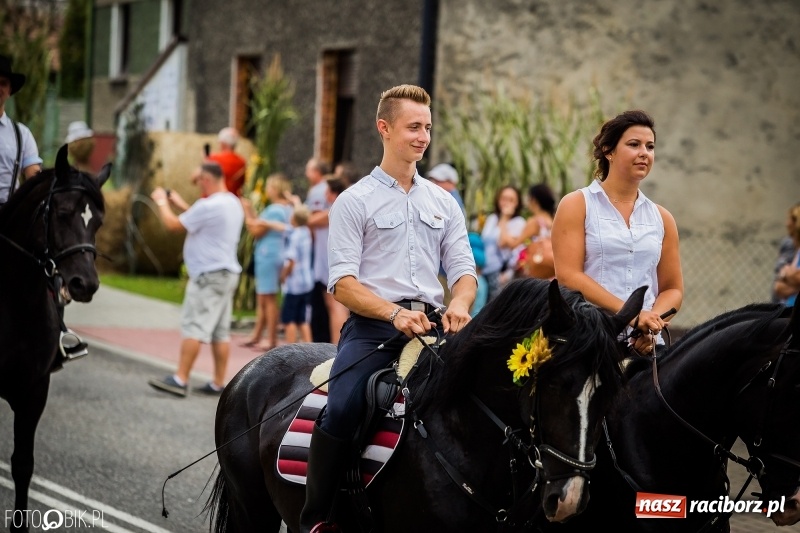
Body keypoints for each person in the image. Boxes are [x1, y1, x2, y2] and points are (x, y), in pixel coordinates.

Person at [300, 84, 477, 532]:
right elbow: (342, 283)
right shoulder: (353, 201)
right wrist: (395, 314)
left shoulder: (443, 201)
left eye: (428, 128)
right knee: (342, 407)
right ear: (385, 128)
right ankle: (318, 516)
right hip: (373, 329)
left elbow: (463, 270)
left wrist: (459, 303)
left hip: (436, 327)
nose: (423, 136)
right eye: (413, 127)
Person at [551, 110, 683, 355]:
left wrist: (650, 325)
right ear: (608, 151)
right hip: (586, 338)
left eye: (650, 146)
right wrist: (631, 316)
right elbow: (568, 275)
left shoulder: (662, 218)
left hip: (646, 345)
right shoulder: (577, 204)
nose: (644, 152)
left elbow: (672, 289)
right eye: (634, 144)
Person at [147, 162, 244, 396]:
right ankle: (219, 382)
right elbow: (201, 219)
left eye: (199, 181)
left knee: (194, 327)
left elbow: (172, 225)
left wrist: (161, 201)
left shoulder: (207, 205)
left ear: (206, 179)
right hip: (227, 274)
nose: (198, 185)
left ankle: (180, 379)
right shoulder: (232, 202)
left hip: (208, 276)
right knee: (220, 332)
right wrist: (180, 204)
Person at [241, 173, 293, 350]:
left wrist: (247, 211)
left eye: (270, 187)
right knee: (266, 296)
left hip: (267, 254)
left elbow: (256, 230)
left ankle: (270, 340)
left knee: (267, 298)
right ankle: (259, 335)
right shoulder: (286, 209)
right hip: (276, 254)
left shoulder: (274, 210)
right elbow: (261, 224)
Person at [0, 54, 42, 206]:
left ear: (10, 90)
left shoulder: (22, 134)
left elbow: (34, 178)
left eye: (3, 83)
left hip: (7, 219)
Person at [500, 183, 557, 279]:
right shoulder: (553, 221)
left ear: (534, 201)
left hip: (536, 273)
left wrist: (504, 220)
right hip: (551, 273)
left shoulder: (535, 222)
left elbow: (513, 244)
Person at [304, 157, 333, 342]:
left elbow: (313, 221)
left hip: (322, 251)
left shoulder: (317, 191)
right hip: (330, 247)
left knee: (326, 300)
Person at [480, 185, 526, 301]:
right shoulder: (492, 219)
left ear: (517, 203)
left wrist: (505, 218)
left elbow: (503, 243)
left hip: (500, 272)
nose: (506, 203)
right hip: (485, 269)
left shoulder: (519, 222)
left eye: (511, 200)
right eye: (504, 199)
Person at [322, 174, 350, 344]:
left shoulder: (340, 207)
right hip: (333, 260)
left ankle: (336, 343)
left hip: (335, 261)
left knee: (336, 305)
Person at [280, 204, 314, 343]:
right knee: (303, 318)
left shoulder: (294, 236)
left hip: (295, 283)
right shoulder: (306, 231)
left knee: (289, 318)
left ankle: (291, 347)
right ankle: (310, 347)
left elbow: (291, 260)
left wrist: (283, 275)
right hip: (307, 281)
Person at [206, 127, 247, 197]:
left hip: (214, 198)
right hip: (233, 199)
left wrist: (205, 159)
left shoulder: (213, 159)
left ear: (223, 143)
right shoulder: (242, 162)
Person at [773, 203, 800, 306]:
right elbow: (779, 287)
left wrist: (788, 275)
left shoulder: (789, 245)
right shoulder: (797, 251)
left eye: (790, 219)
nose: (786, 223)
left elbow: (788, 273)